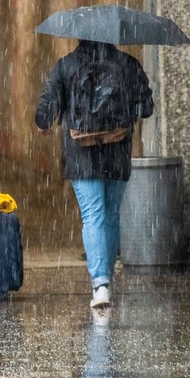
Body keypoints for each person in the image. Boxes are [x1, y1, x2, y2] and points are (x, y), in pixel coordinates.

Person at [35, 39, 153, 309]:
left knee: (93, 216)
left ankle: (100, 284)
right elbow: (146, 108)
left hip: (81, 153)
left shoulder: (66, 65)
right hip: (117, 151)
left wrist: (45, 123)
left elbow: (45, 111)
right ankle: (106, 280)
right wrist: (122, 114)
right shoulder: (127, 64)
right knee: (110, 215)